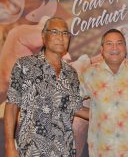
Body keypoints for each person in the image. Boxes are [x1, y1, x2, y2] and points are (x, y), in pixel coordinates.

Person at [4, 17, 89, 157]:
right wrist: (9, 146)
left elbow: (75, 106)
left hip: (65, 150)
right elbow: (12, 105)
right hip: (31, 150)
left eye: (65, 33)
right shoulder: (25, 65)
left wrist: (105, 113)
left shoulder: (71, 73)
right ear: (44, 36)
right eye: (54, 32)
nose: (60, 37)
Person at [79, 28, 128, 157]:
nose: (115, 47)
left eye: (119, 43)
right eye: (109, 44)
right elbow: (69, 101)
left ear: (125, 48)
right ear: (101, 49)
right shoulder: (90, 73)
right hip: (101, 149)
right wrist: (93, 114)